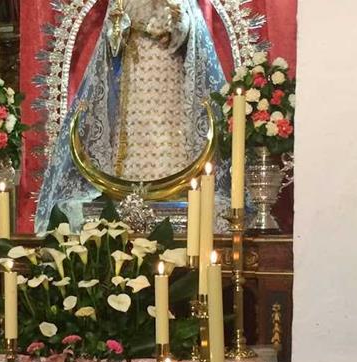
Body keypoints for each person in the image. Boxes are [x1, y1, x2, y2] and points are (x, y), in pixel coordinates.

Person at [35, 0, 229, 231]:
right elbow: (113, 42)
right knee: (136, 129)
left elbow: (188, 35)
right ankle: (131, 182)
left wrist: (177, 23)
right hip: (136, 73)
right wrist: (119, 26)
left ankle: (172, 180)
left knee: (168, 131)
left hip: (169, 72)